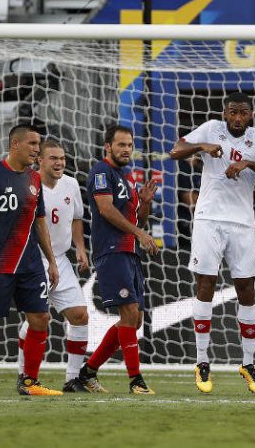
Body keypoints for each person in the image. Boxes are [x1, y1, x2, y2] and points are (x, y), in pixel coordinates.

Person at [169, 92, 255, 394]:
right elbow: (175, 150)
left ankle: (248, 363)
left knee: (246, 289)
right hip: (208, 219)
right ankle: (201, 360)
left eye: (243, 112)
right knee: (206, 283)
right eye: (232, 112)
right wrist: (201, 146)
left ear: (251, 115)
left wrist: (248, 163)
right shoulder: (210, 128)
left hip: (242, 223)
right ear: (224, 113)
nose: (237, 118)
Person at [0, 124, 62, 396]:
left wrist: (51, 261)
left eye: (38, 144)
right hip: (0, 264)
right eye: (32, 143)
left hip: (31, 265)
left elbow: (40, 222)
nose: (36, 149)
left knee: (41, 318)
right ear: (15, 144)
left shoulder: (34, 179)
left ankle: (29, 382)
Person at [78, 126, 159, 394]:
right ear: (108, 147)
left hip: (130, 252)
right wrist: (139, 233)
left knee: (135, 320)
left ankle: (87, 372)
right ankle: (136, 380)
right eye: (121, 144)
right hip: (111, 250)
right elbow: (105, 209)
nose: (126, 149)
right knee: (129, 314)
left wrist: (145, 203)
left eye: (129, 145)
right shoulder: (101, 172)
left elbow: (138, 220)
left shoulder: (128, 177)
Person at [15, 140, 91, 392]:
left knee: (80, 316)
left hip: (60, 258)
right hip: (33, 260)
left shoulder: (71, 184)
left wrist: (80, 248)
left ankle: (72, 379)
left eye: (62, 158)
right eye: (53, 158)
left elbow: (77, 218)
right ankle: (24, 375)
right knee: (37, 318)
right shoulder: (27, 185)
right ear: (40, 160)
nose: (59, 163)